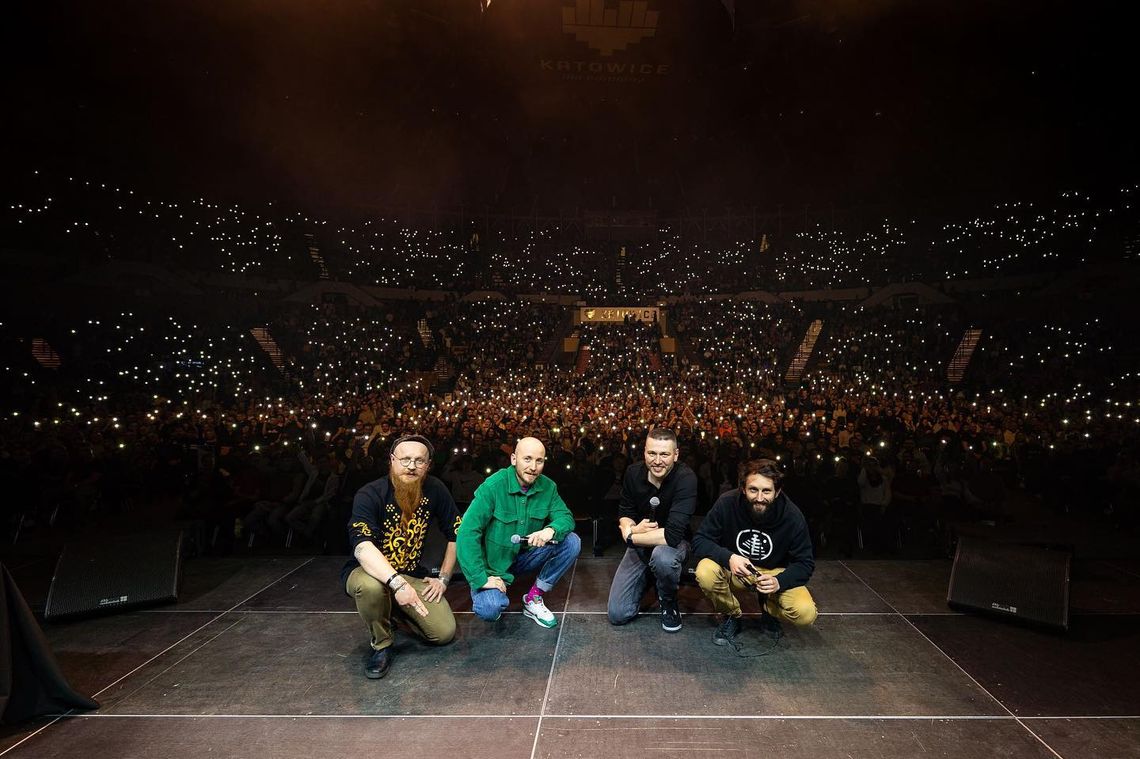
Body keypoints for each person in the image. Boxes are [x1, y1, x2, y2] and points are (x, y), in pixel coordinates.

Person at [341, 434, 460, 679]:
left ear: (428, 465)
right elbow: (363, 548)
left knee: (443, 633)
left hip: (411, 572)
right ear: (392, 461)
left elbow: (457, 534)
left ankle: (392, 609)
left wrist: (444, 578)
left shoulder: (435, 489)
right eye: (405, 459)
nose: (411, 466)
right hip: (369, 571)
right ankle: (382, 645)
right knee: (371, 587)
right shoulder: (370, 493)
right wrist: (397, 583)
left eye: (419, 461)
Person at [456, 437, 581, 629]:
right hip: (494, 566)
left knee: (571, 542)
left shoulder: (548, 487)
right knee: (490, 609)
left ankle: (533, 597)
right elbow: (466, 533)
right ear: (514, 459)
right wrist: (480, 578)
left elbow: (566, 517)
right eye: (527, 459)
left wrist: (550, 530)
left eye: (539, 461)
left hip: (526, 556)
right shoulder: (493, 486)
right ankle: (495, 591)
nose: (533, 467)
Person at [693, 458, 817, 647]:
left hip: (773, 573)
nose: (759, 497)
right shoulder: (727, 503)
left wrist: (779, 582)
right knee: (705, 571)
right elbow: (700, 540)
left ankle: (768, 607)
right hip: (736, 570)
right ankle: (732, 614)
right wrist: (729, 557)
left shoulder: (792, 516)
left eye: (766, 491)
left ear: (777, 492)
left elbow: (805, 563)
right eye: (753, 490)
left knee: (805, 613)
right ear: (743, 488)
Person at [606, 428, 698, 632]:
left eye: (664, 454)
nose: (657, 460)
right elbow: (625, 512)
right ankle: (651, 575)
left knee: (662, 558)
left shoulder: (686, 478)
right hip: (640, 543)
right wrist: (629, 528)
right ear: (644, 452)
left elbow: (672, 535)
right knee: (618, 614)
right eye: (652, 453)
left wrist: (632, 537)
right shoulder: (632, 473)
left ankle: (668, 599)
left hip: (672, 544)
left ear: (676, 454)